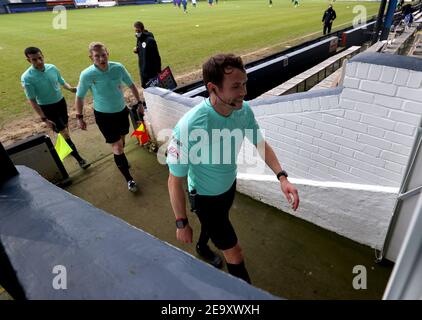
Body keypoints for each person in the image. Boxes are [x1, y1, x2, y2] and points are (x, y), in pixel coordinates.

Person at [166, 53, 300, 283]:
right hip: (205, 198)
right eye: (236, 86)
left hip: (228, 186)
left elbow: (259, 143)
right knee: (234, 252)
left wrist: (282, 177)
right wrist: (181, 222)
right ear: (213, 88)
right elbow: (174, 180)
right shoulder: (190, 127)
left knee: (218, 222)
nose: (244, 92)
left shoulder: (243, 110)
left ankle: (201, 244)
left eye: (244, 84)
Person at [75, 42, 144, 192]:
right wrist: (79, 117)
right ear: (91, 58)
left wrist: (139, 102)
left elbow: (131, 85)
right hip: (103, 116)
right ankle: (129, 179)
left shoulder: (118, 68)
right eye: (97, 56)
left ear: (108, 53)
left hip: (121, 111)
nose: (101, 59)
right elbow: (79, 97)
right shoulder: (87, 75)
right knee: (117, 146)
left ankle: (121, 160)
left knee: (122, 139)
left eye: (103, 54)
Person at [21, 47, 90, 170]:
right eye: (34, 60)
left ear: (43, 56)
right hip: (47, 108)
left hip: (60, 103)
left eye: (40, 58)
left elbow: (61, 81)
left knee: (65, 129)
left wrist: (71, 89)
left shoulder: (52, 68)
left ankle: (64, 148)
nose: (39, 62)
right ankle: (80, 160)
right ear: (28, 60)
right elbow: (32, 100)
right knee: (64, 132)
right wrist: (44, 119)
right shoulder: (27, 78)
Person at [133, 21, 162, 89]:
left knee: (155, 90)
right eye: (135, 31)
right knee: (145, 88)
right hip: (143, 70)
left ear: (142, 29)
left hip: (151, 72)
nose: (136, 33)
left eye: (138, 31)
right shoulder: (139, 39)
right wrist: (136, 50)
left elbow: (156, 57)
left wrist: (158, 71)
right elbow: (142, 49)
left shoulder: (150, 40)